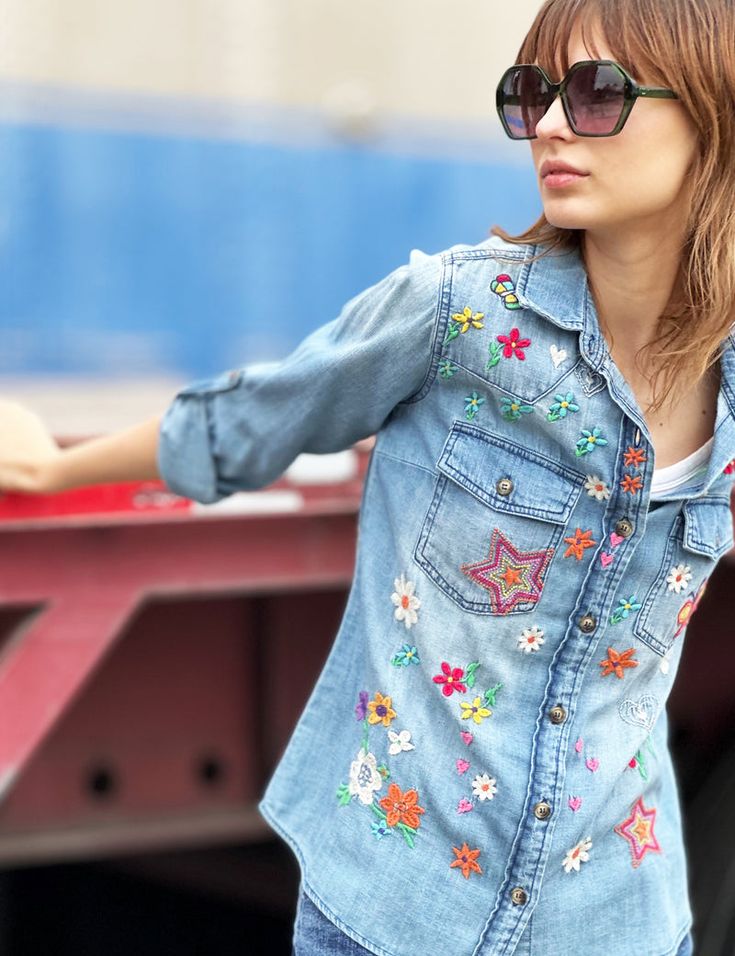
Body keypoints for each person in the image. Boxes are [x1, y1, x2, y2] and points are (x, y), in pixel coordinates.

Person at [0, 0, 731, 951]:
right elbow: (251, 418)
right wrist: (56, 468)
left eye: (596, 94)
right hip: (392, 909)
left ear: (711, 117)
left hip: (616, 919)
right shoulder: (457, 313)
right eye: (529, 93)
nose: (548, 123)